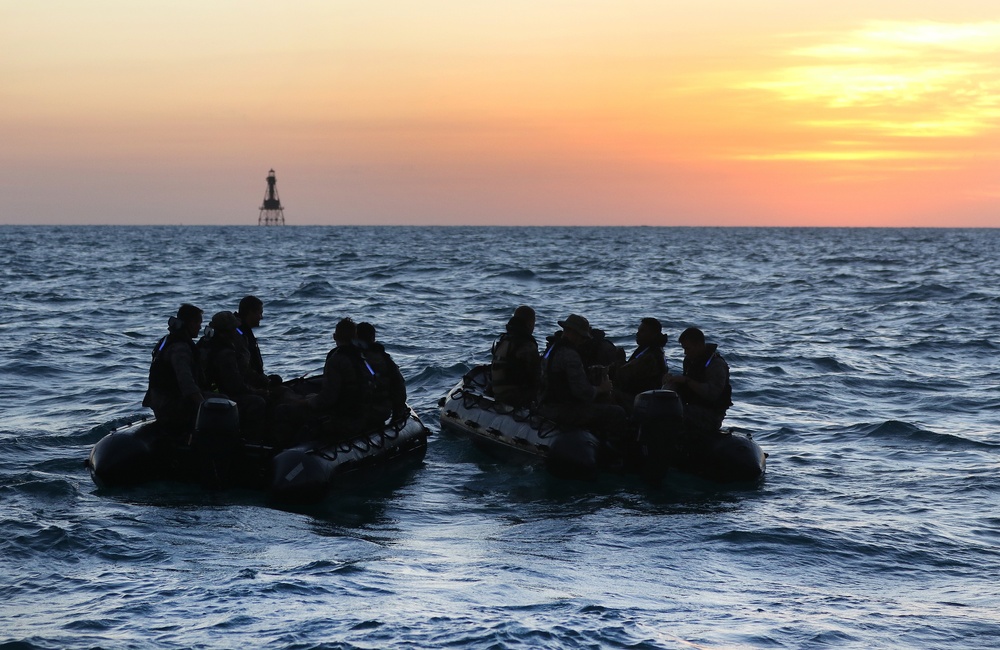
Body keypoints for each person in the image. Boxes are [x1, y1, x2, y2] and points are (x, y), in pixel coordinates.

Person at [538, 314, 627, 439]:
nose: (583, 341)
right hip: (563, 411)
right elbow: (583, 393)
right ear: (575, 333)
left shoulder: (551, 349)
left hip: (544, 406)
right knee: (618, 412)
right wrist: (602, 388)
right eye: (583, 337)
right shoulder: (570, 355)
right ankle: (614, 453)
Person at [308, 317, 387, 440]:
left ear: (334, 337)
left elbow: (328, 398)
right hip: (370, 414)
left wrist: (306, 402)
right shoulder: (369, 357)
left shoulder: (336, 359)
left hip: (350, 419)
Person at [198, 311, 269, 439]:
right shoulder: (225, 353)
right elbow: (235, 385)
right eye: (234, 329)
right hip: (220, 395)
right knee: (258, 402)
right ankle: (252, 440)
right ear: (228, 332)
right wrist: (258, 392)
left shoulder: (205, 343)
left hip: (208, 392)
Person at [143, 303, 210, 431]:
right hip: (171, 404)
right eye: (198, 323)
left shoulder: (167, 340)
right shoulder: (180, 348)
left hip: (162, 401)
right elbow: (186, 382)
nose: (200, 327)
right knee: (223, 402)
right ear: (190, 323)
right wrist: (203, 405)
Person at [662, 327, 732, 436]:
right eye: (684, 349)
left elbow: (712, 393)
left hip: (711, 415)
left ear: (699, 345)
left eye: (688, 349)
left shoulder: (716, 364)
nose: (685, 353)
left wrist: (686, 380)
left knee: (673, 414)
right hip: (692, 407)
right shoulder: (690, 361)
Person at [611, 317, 669, 413]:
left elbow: (622, 376)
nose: (637, 334)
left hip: (640, 400)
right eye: (638, 330)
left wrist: (619, 360)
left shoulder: (650, 357)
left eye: (642, 331)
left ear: (653, 334)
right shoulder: (650, 350)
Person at [356, 321, 408, 424]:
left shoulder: (349, 357)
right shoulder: (384, 359)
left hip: (360, 413)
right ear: (373, 338)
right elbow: (399, 387)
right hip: (380, 411)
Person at [489, 305, 541, 408]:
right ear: (530, 323)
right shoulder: (526, 345)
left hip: (498, 393)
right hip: (515, 396)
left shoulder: (504, 340)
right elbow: (536, 375)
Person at [233, 295, 281, 389]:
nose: (261, 317)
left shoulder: (243, 331)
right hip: (246, 382)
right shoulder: (239, 334)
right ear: (251, 313)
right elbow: (244, 366)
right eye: (260, 313)